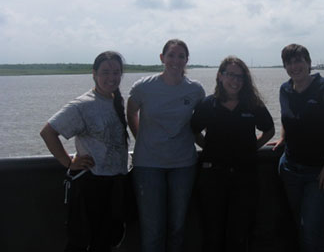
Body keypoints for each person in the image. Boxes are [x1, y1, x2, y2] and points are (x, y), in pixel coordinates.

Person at [40, 51, 130, 252]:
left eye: (116, 72)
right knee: (85, 242)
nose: (111, 77)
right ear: (94, 74)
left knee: (109, 240)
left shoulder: (117, 100)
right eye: (105, 72)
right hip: (91, 184)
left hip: (115, 183)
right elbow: (48, 132)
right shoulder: (83, 105)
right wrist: (68, 162)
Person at [127, 39, 205, 252]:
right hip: (148, 166)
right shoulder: (143, 87)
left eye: (181, 56)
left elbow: (201, 123)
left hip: (183, 165)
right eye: (171, 55)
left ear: (187, 60)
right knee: (152, 228)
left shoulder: (195, 90)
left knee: (177, 226)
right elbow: (131, 112)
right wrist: (140, 138)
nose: (176, 60)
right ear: (162, 58)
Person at [191, 56, 275, 252]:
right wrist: (210, 148)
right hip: (213, 177)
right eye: (230, 75)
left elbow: (269, 130)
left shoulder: (253, 105)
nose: (235, 80)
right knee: (213, 234)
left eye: (240, 76)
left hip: (244, 177)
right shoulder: (208, 104)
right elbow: (193, 131)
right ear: (220, 76)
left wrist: (251, 147)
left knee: (239, 234)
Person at [273, 44, 324, 252]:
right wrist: (282, 138)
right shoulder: (285, 89)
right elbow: (287, 117)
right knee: (299, 224)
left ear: (308, 63)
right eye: (289, 62)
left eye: (298, 60)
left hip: (321, 172)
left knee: (311, 229)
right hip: (291, 170)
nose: (294, 66)